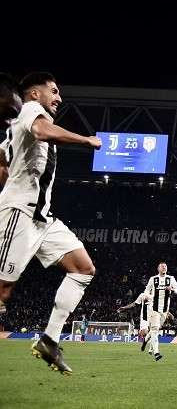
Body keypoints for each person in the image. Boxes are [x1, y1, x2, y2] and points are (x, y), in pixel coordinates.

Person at [0, 72, 102, 375]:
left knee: (83, 269)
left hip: (41, 218)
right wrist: (86, 140)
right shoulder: (32, 110)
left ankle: (49, 341)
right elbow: (43, 131)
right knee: (2, 291)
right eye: (54, 91)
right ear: (35, 93)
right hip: (19, 212)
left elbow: (4, 160)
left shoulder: (16, 124)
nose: (59, 97)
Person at [144, 262, 177, 361]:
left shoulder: (171, 279)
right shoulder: (153, 279)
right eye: (162, 266)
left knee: (155, 330)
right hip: (154, 309)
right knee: (155, 330)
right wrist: (147, 296)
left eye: (165, 266)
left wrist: (172, 289)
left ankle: (146, 342)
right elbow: (146, 290)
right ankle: (156, 353)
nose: (164, 267)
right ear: (158, 269)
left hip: (164, 311)